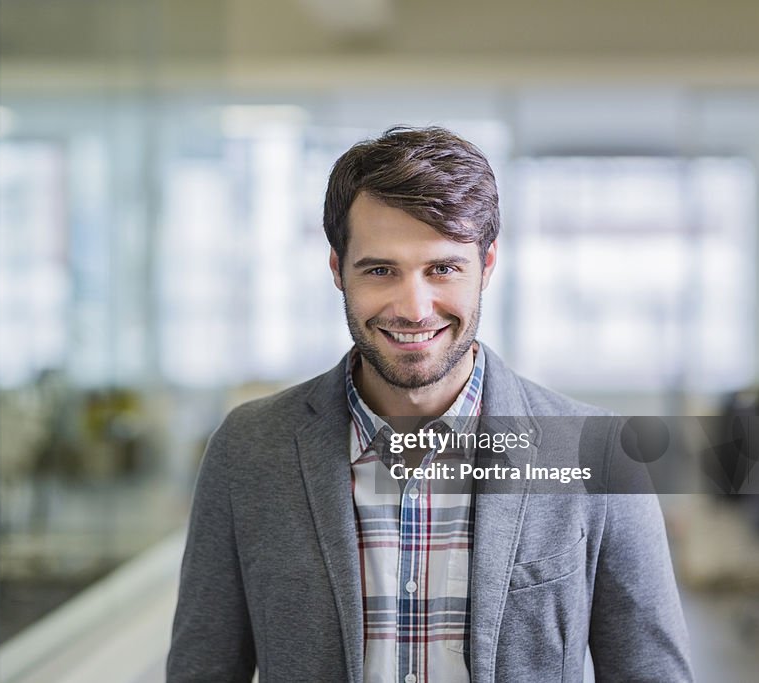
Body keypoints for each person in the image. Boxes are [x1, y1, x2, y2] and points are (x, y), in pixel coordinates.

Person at [167, 126, 693, 682]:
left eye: (442, 268)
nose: (414, 308)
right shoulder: (250, 449)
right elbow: (202, 669)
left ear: (486, 266)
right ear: (336, 270)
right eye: (380, 270)